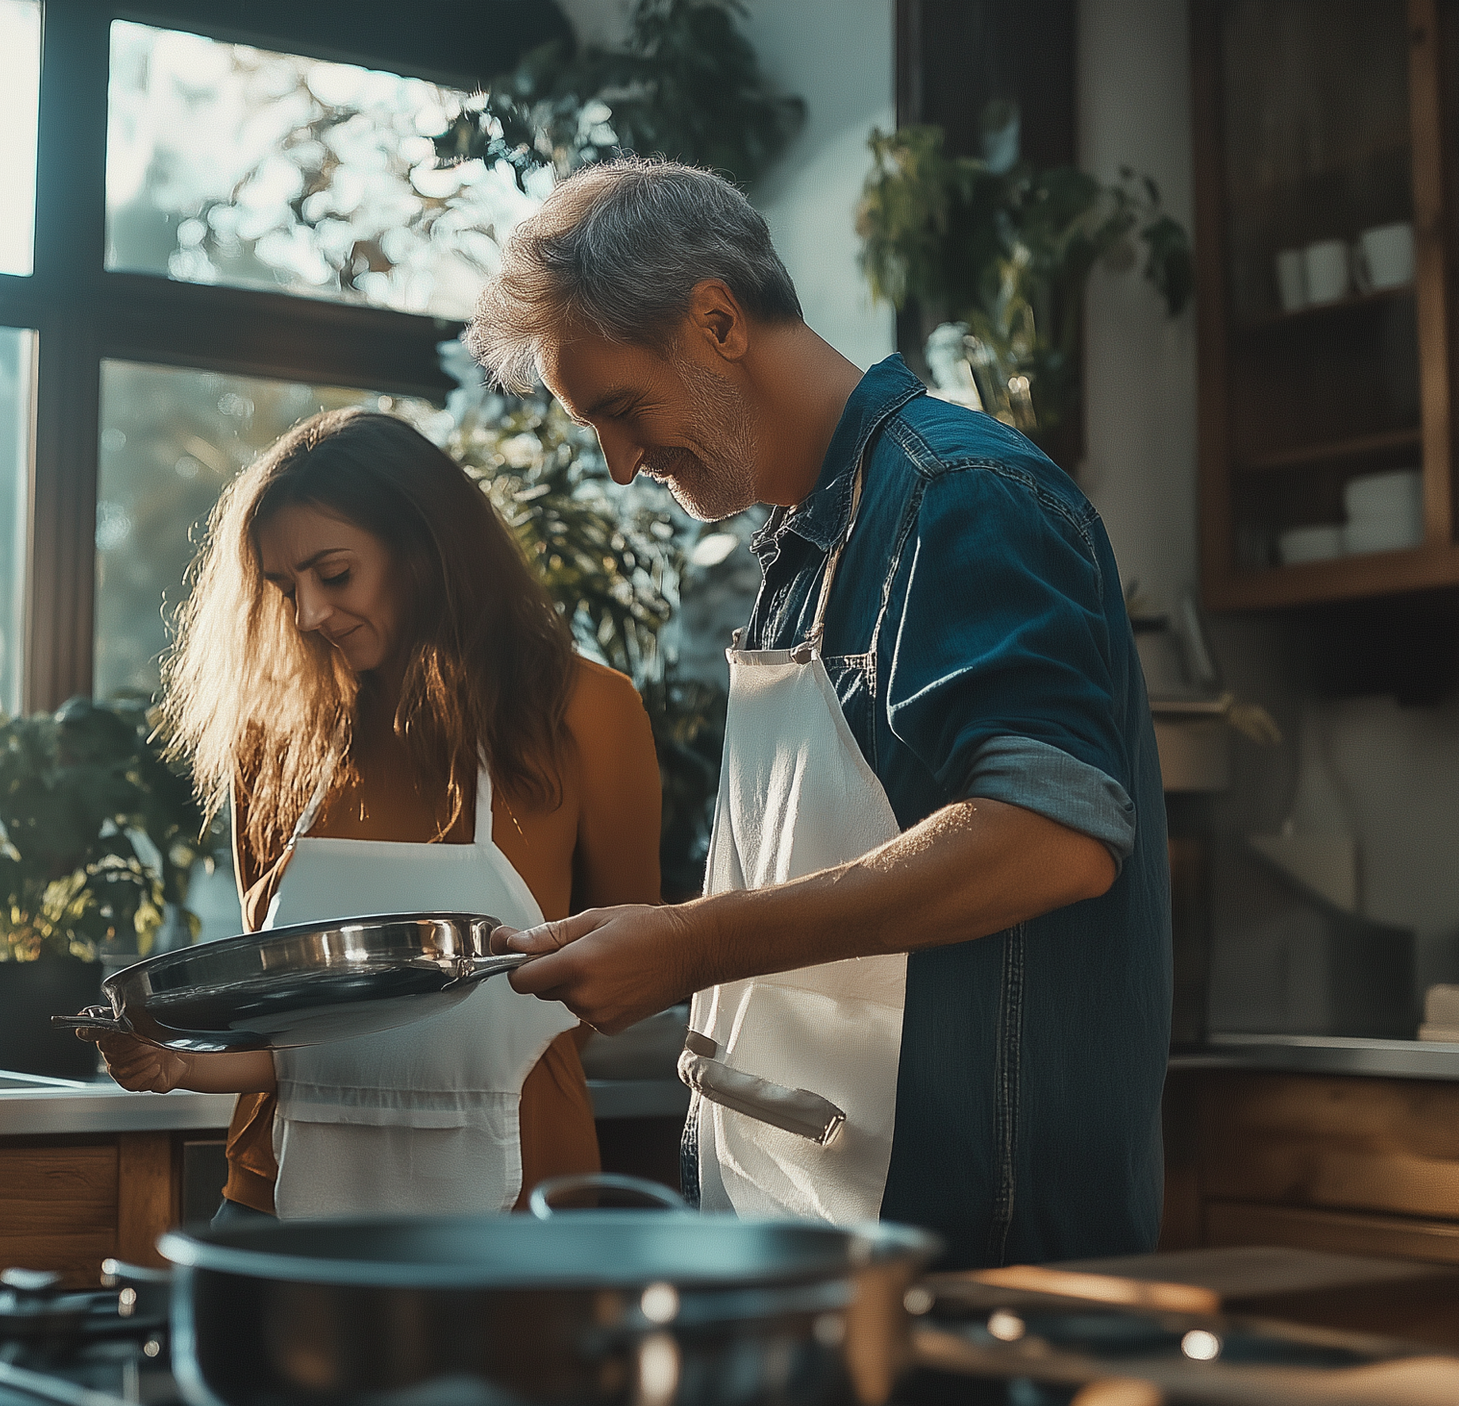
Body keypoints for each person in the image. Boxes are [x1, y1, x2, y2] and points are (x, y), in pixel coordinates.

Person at [463, 158, 1168, 1269]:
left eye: (619, 407)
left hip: (970, 1246)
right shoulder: (804, 548)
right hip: (805, 1219)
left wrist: (692, 942)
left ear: (715, 321)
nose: (617, 462)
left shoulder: (958, 495)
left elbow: (1051, 841)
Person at [86, 409, 661, 1223]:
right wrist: (176, 1059)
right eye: (287, 589)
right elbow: (288, 1033)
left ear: (426, 549)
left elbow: (630, 977)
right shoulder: (275, 744)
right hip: (272, 1207)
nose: (309, 614)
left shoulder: (589, 713)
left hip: (519, 1213)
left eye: (335, 573)